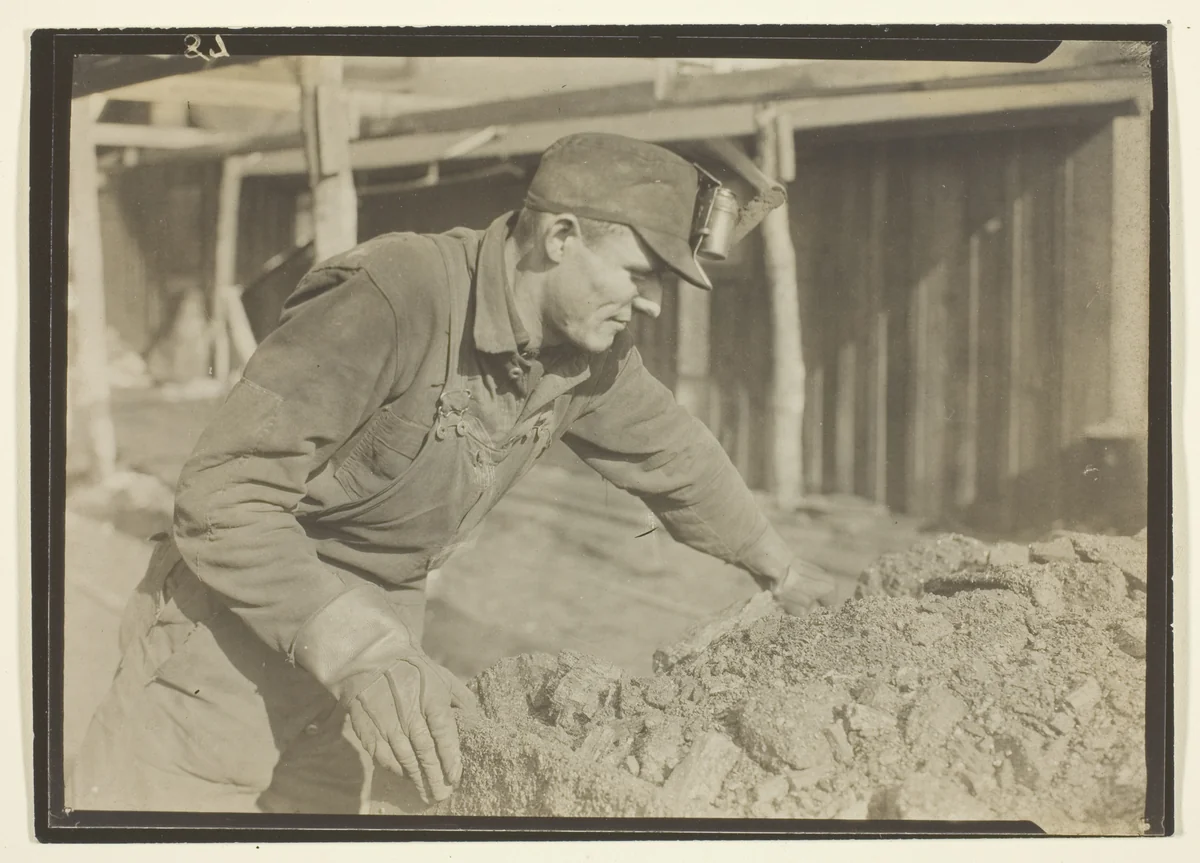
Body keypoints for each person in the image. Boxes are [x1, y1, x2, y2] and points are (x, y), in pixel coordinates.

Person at [68, 132, 855, 815]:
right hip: (227, 645)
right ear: (560, 237)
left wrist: (782, 568)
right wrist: (357, 649)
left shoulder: (581, 353)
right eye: (638, 273)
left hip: (370, 674)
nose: (649, 305)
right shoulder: (394, 295)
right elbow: (223, 494)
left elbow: (673, 454)